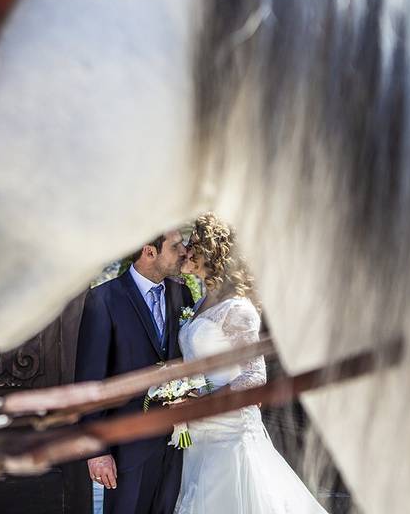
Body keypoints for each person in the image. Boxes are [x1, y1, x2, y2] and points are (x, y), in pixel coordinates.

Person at [175, 213, 328, 514]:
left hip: (230, 435)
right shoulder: (199, 303)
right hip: (200, 436)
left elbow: (253, 377)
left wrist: (200, 403)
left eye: (193, 242)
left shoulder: (238, 308)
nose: (186, 250)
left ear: (210, 250)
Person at [75, 229, 193, 514]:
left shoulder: (183, 293)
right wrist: (97, 452)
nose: (184, 252)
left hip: (179, 445)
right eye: (175, 246)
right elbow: (91, 380)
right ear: (149, 251)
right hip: (128, 450)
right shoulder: (103, 299)